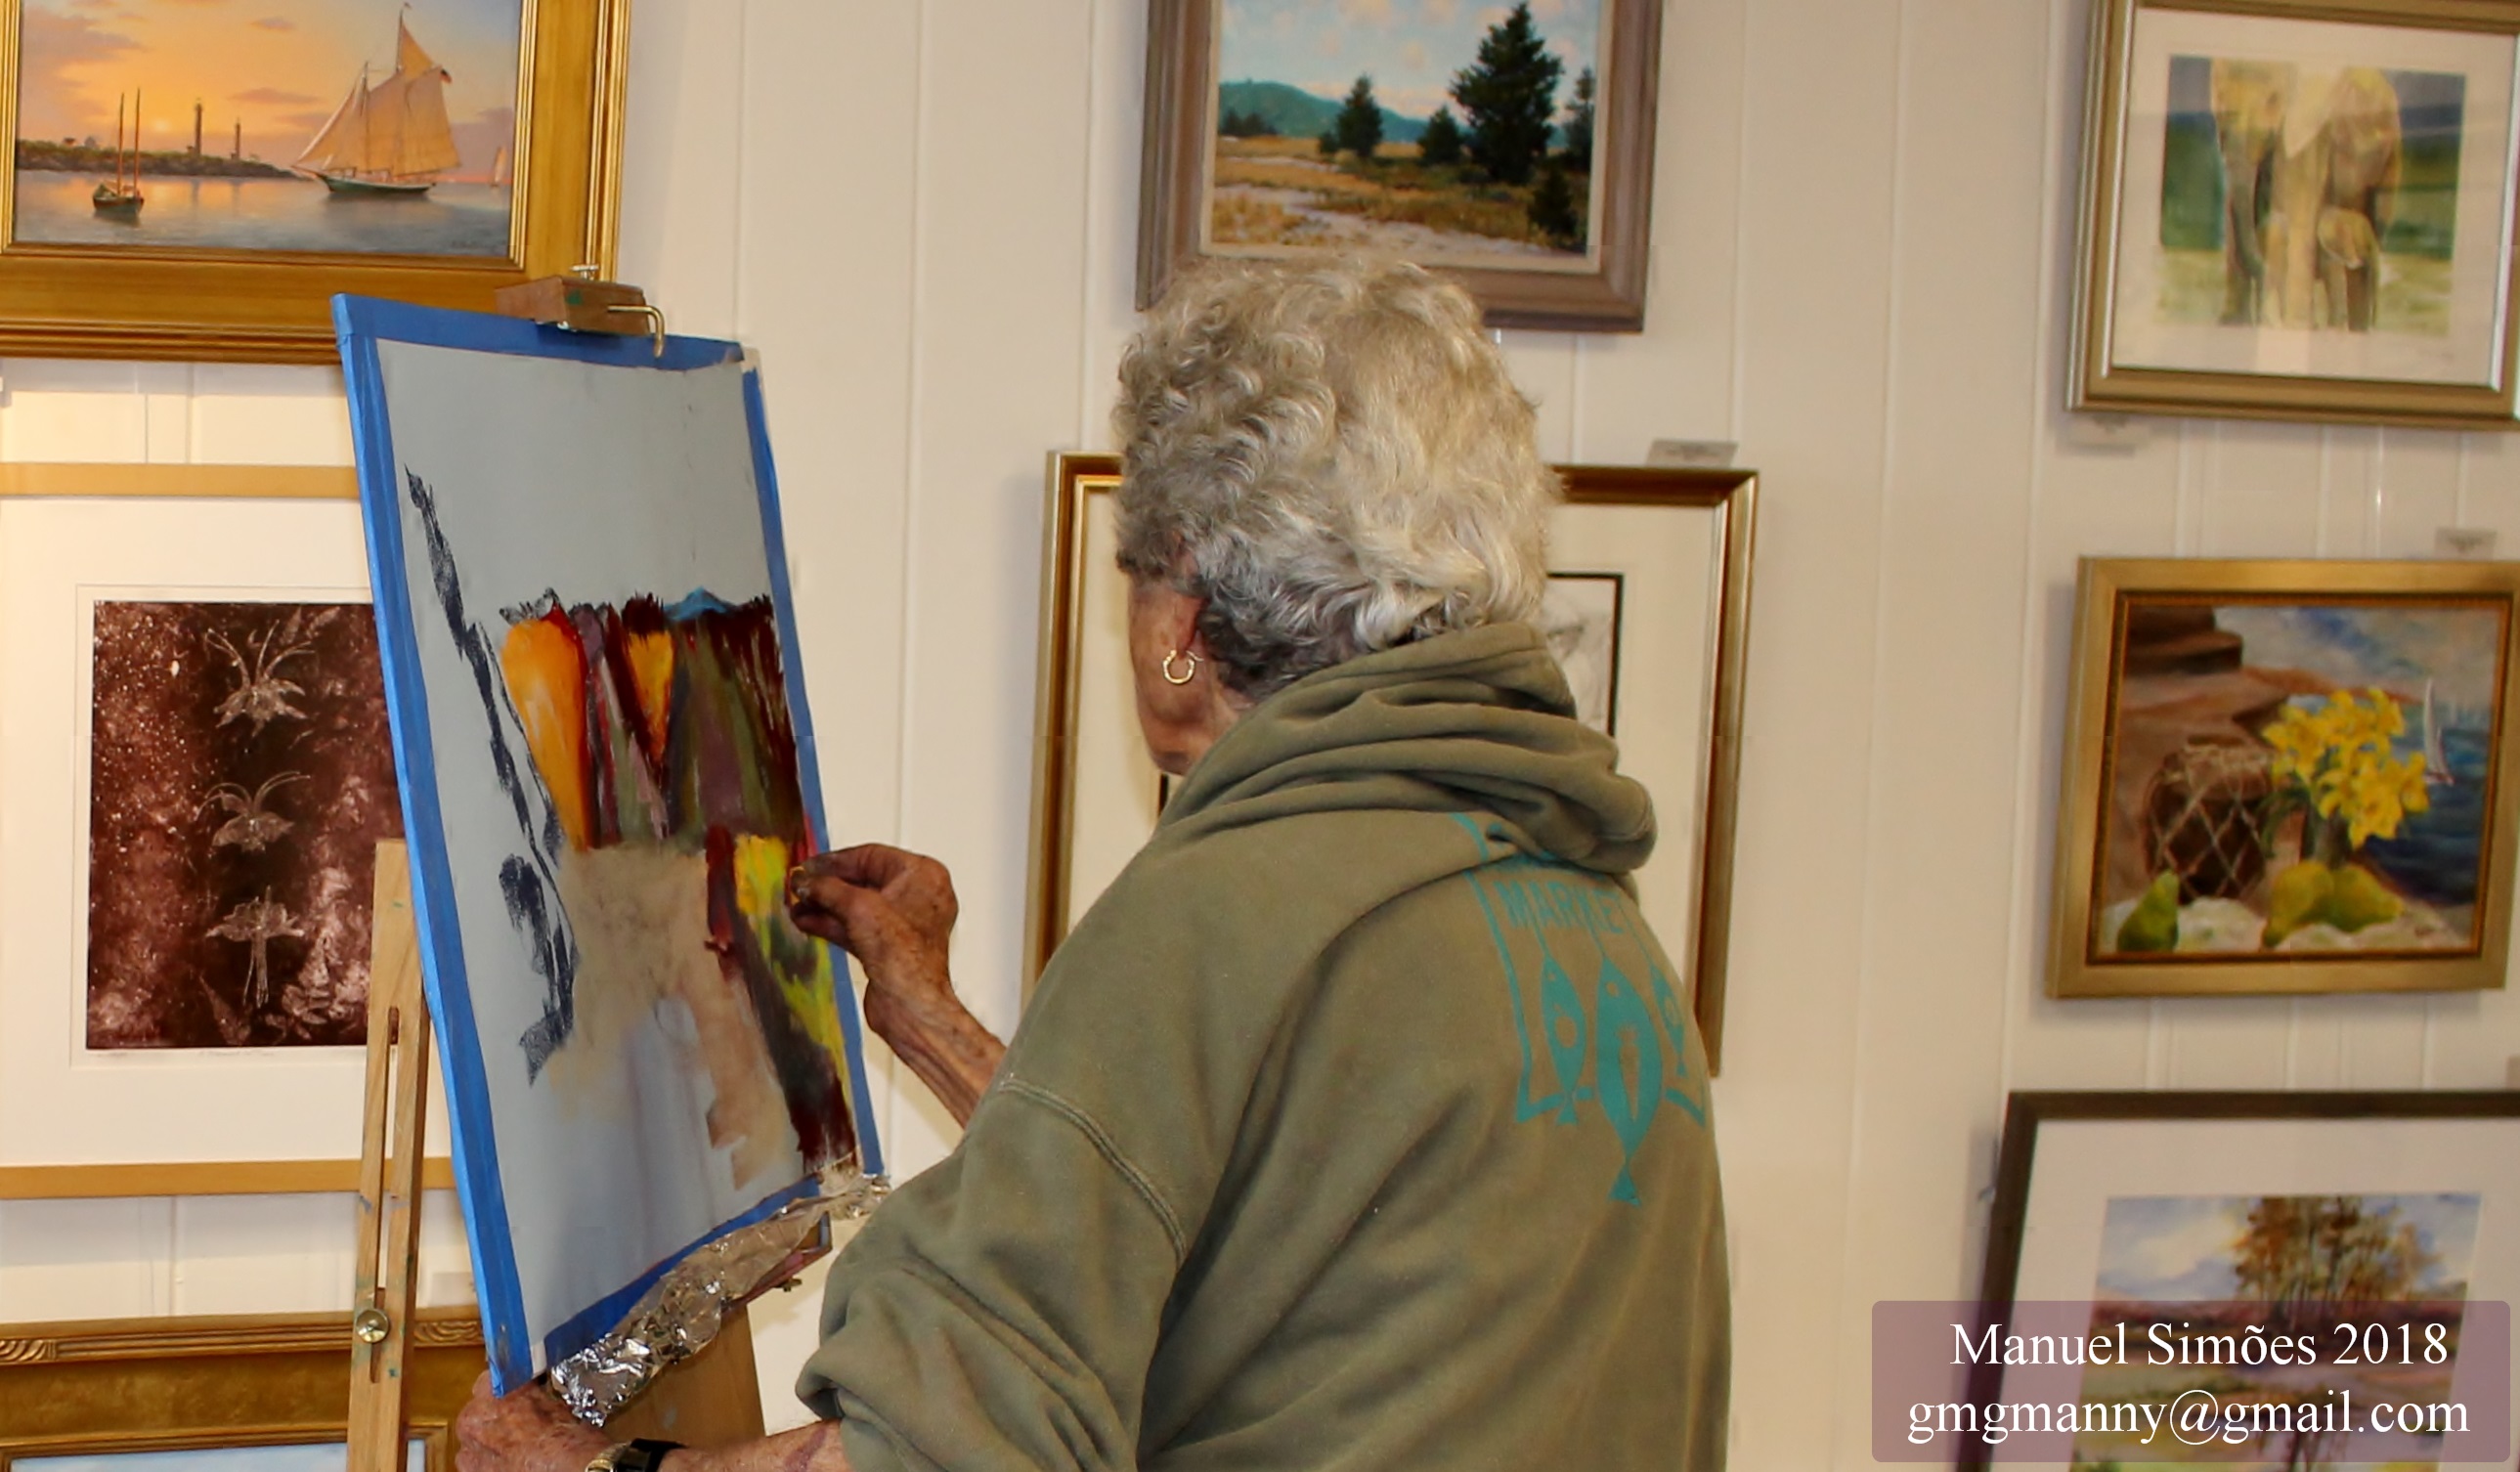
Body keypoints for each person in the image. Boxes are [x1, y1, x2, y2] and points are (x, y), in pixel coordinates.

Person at [454, 256, 1728, 1472]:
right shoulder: (1573, 899)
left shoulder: (1223, 915)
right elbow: (1220, 1219)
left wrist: (599, 1463)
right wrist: (934, 1022)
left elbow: (926, 1453)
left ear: (1181, 617)